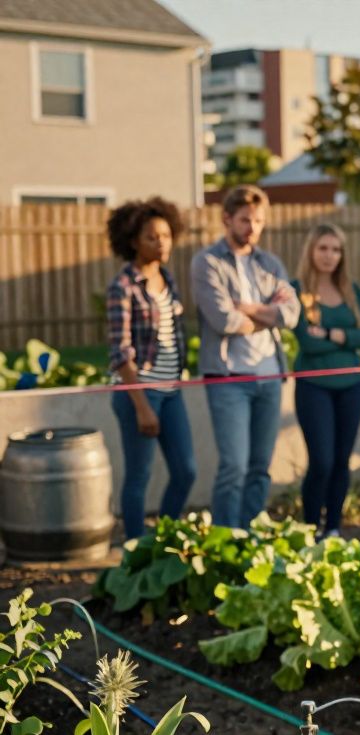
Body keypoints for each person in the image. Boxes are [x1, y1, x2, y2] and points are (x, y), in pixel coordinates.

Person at [191, 185, 300, 529]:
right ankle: (226, 539)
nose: (252, 227)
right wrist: (269, 313)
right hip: (228, 379)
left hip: (269, 377)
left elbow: (292, 314)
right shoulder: (206, 262)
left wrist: (250, 309)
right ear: (227, 219)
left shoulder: (270, 264)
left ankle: (252, 536)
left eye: (258, 221)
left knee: (259, 467)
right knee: (234, 467)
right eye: (244, 220)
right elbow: (223, 321)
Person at [105, 197, 197, 540]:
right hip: (139, 394)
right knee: (138, 477)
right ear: (132, 242)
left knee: (186, 471)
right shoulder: (123, 287)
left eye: (166, 235)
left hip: (171, 392)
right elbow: (120, 353)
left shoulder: (168, 280)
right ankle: (134, 553)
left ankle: (161, 540)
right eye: (152, 237)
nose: (162, 242)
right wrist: (142, 406)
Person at [291, 223, 360, 539]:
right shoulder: (297, 289)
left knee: (341, 461)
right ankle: (309, 531)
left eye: (336, 249)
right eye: (323, 248)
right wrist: (346, 339)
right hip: (314, 388)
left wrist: (330, 333)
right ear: (311, 250)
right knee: (322, 461)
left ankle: (334, 529)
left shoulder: (351, 291)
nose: (329, 256)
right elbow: (307, 343)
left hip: (352, 386)